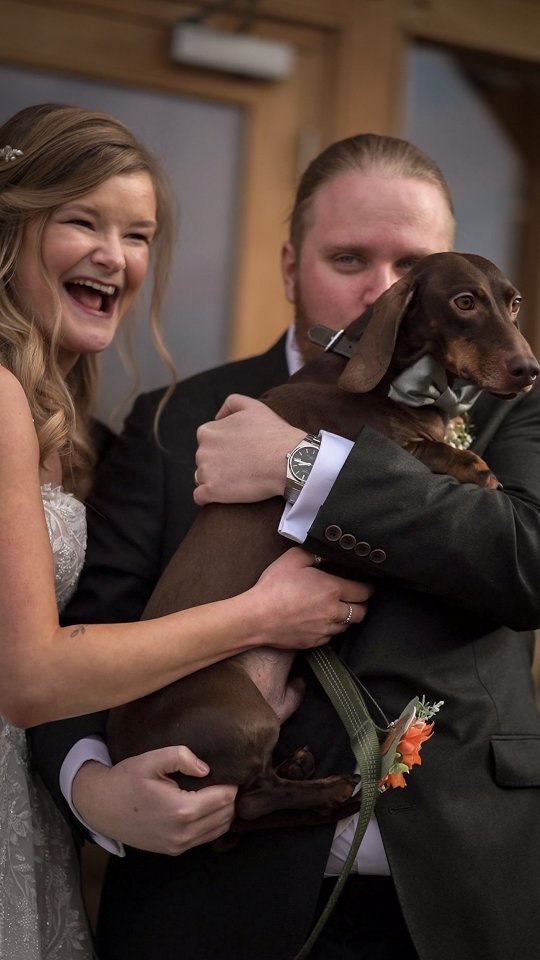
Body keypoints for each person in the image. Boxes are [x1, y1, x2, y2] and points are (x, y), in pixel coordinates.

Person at [30, 133, 540, 960]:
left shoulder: (511, 408)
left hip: (455, 889)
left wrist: (309, 467)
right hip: (209, 899)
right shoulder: (173, 414)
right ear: (289, 264)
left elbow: (529, 559)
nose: (386, 290)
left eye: (415, 266)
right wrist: (93, 786)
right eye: (349, 259)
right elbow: (85, 628)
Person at [0, 104, 369, 960]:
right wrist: (262, 617)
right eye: (81, 222)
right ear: (11, 230)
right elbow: (31, 674)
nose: (115, 256)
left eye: (138, 235)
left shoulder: (73, 431)